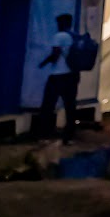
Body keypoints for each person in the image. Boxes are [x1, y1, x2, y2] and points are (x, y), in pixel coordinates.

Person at [36, 14, 80, 143]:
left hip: (58, 76)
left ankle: (44, 134)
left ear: (61, 23)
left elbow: (55, 54)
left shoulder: (59, 36)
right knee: (70, 106)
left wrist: (44, 62)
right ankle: (69, 136)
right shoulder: (74, 36)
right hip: (72, 75)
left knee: (48, 105)